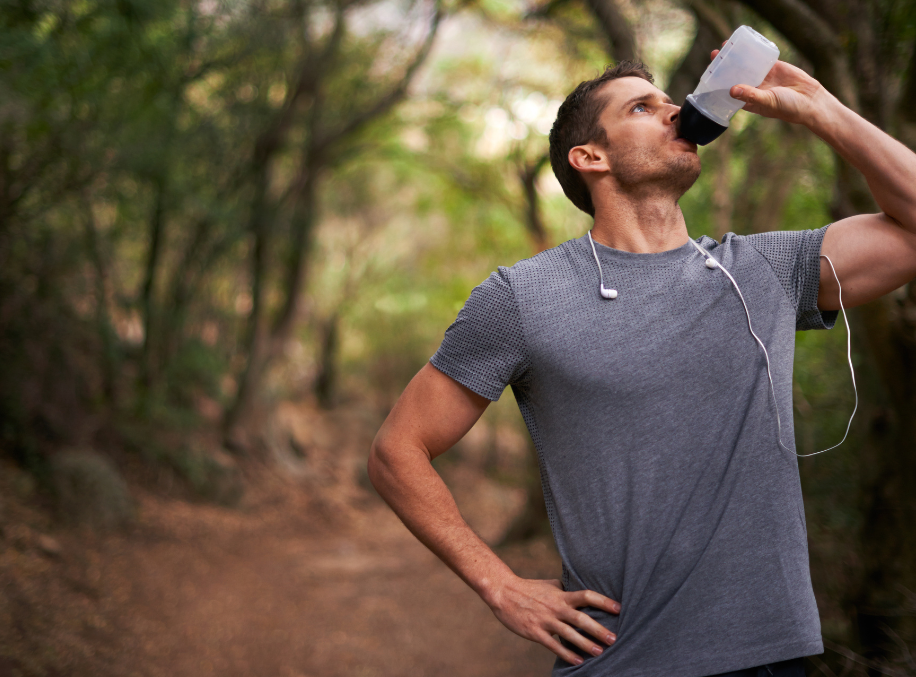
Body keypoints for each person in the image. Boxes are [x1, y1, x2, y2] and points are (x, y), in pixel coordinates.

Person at [367, 51, 916, 677]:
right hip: (621, 661)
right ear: (590, 157)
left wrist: (826, 112)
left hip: (777, 655)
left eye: (668, 103)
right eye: (641, 108)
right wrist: (500, 585)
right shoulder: (524, 297)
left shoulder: (760, 273)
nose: (675, 112)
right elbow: (396, 451)